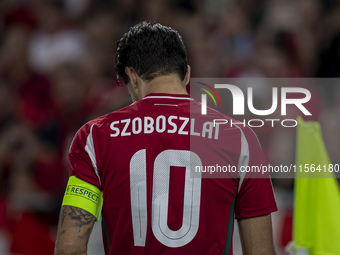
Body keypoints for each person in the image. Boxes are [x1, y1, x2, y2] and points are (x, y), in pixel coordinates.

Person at [54, 21, 277, 255]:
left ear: (132, 75)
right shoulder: (240, 139)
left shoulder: (94, 137)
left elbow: (69, 248)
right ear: (187, 74)